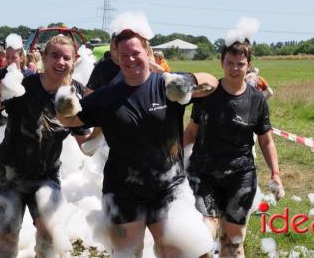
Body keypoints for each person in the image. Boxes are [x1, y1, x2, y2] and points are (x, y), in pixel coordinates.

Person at [57, 28, 218, 257]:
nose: (130, 59)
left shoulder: (167, 85)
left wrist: (190, 81)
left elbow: (211, 82)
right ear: (117, 58)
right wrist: (64, 105)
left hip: (168, 187)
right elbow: (69, 119)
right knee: (128, 253)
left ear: (147, 51)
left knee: (179, 251)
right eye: (124, 56)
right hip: (123, 191)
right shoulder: (106, 97)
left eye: (135, 53)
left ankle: (209, 226)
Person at [0, 35, 91, 258]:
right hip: (8, 174)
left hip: (46, 176)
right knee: (6, 243)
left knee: (50, 238)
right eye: (54, 56)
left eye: (66, 58)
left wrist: (106, 133)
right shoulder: (23, 84)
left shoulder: (75, 95)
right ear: (44, 58)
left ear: (74, 60)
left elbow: (86, 146)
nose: (60, 62)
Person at [185, 40, 284, 258]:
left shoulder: (257, 100)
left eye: (240, 64)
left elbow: (266, 140)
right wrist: (172, 158)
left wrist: (275, 173)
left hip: (241, 175)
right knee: (203, 233)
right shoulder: (207, 95)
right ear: (222, 63)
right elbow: (191, 132)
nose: (234, 69)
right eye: (230, 63)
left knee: (233, 241)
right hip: (204, 172)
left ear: (249, 65)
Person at [0, 34, 33, 128]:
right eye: (7, 57)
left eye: (13, 57)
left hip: (23, 124)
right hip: (0, 123)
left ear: (21, 58)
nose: (10, 61)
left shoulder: (30, 75)